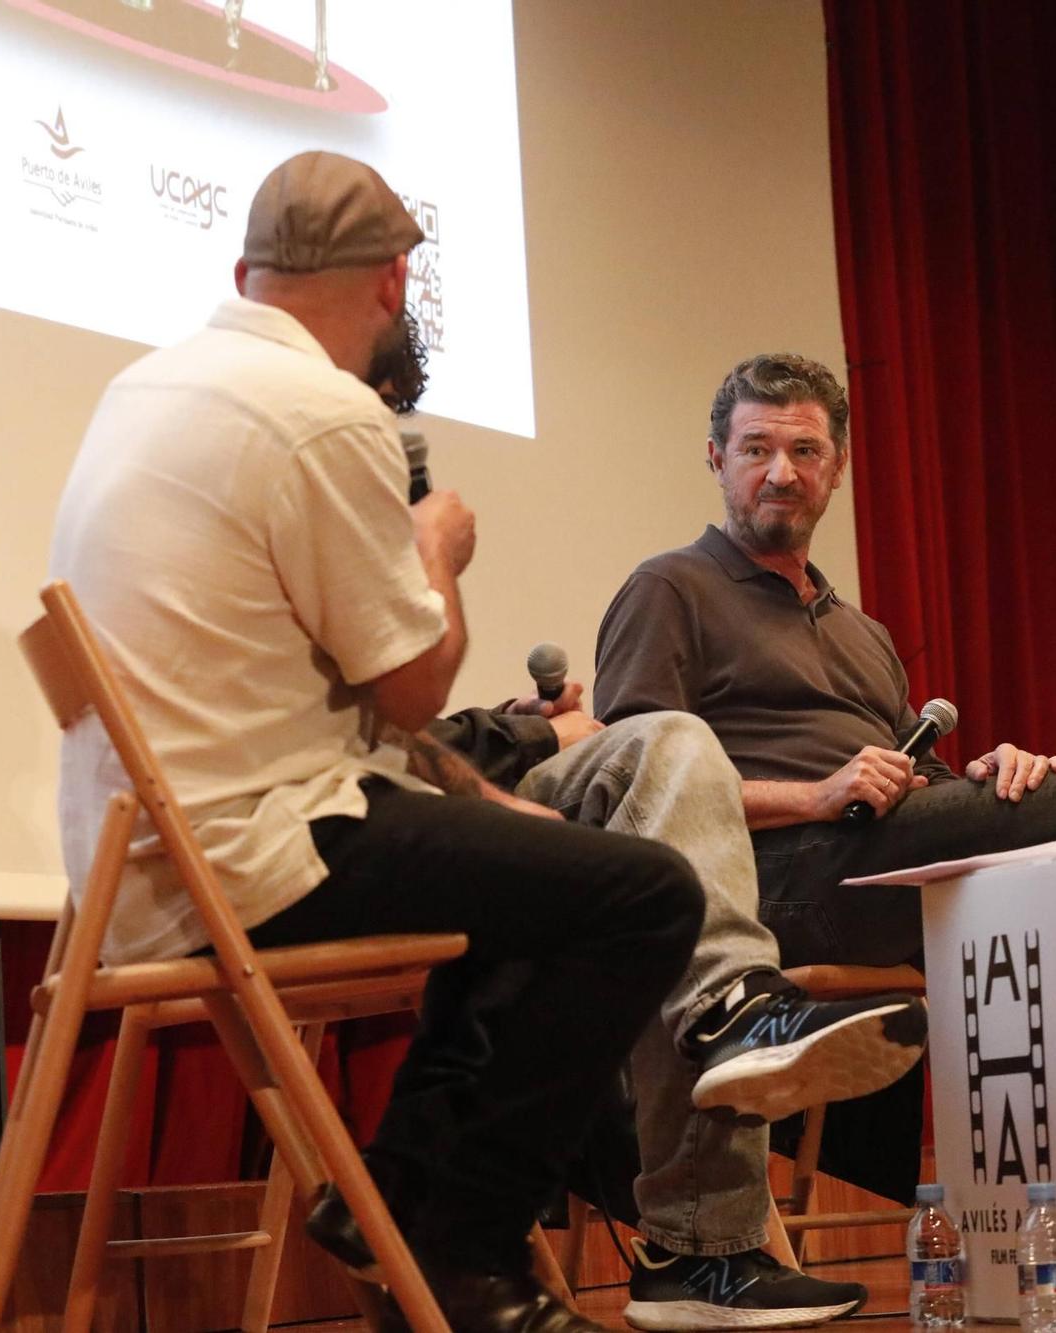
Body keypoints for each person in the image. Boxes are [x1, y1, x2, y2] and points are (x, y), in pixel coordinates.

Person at [50, 153, 913, 1333]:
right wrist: (436, 551)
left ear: (242, 268)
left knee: (576, 823)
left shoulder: (145, 389)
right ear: (393, 281)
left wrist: (495, 796)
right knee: (636, 897)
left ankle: (429, 1183)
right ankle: (457, 1245)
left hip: (143, 851)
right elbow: (409, 688)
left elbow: (348, 709)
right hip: (245, 852)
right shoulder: (320, 413)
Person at [594, 352, 1056, 1203]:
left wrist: (988, 778)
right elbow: (629, 795)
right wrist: (815, 796)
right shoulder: (671, 587)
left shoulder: (862, 631)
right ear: (717, 459)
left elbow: (914, 786)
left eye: (804, 452)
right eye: (755, 450)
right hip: (765, 887)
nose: (780, 473)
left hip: (876, 866)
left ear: (838, 468)